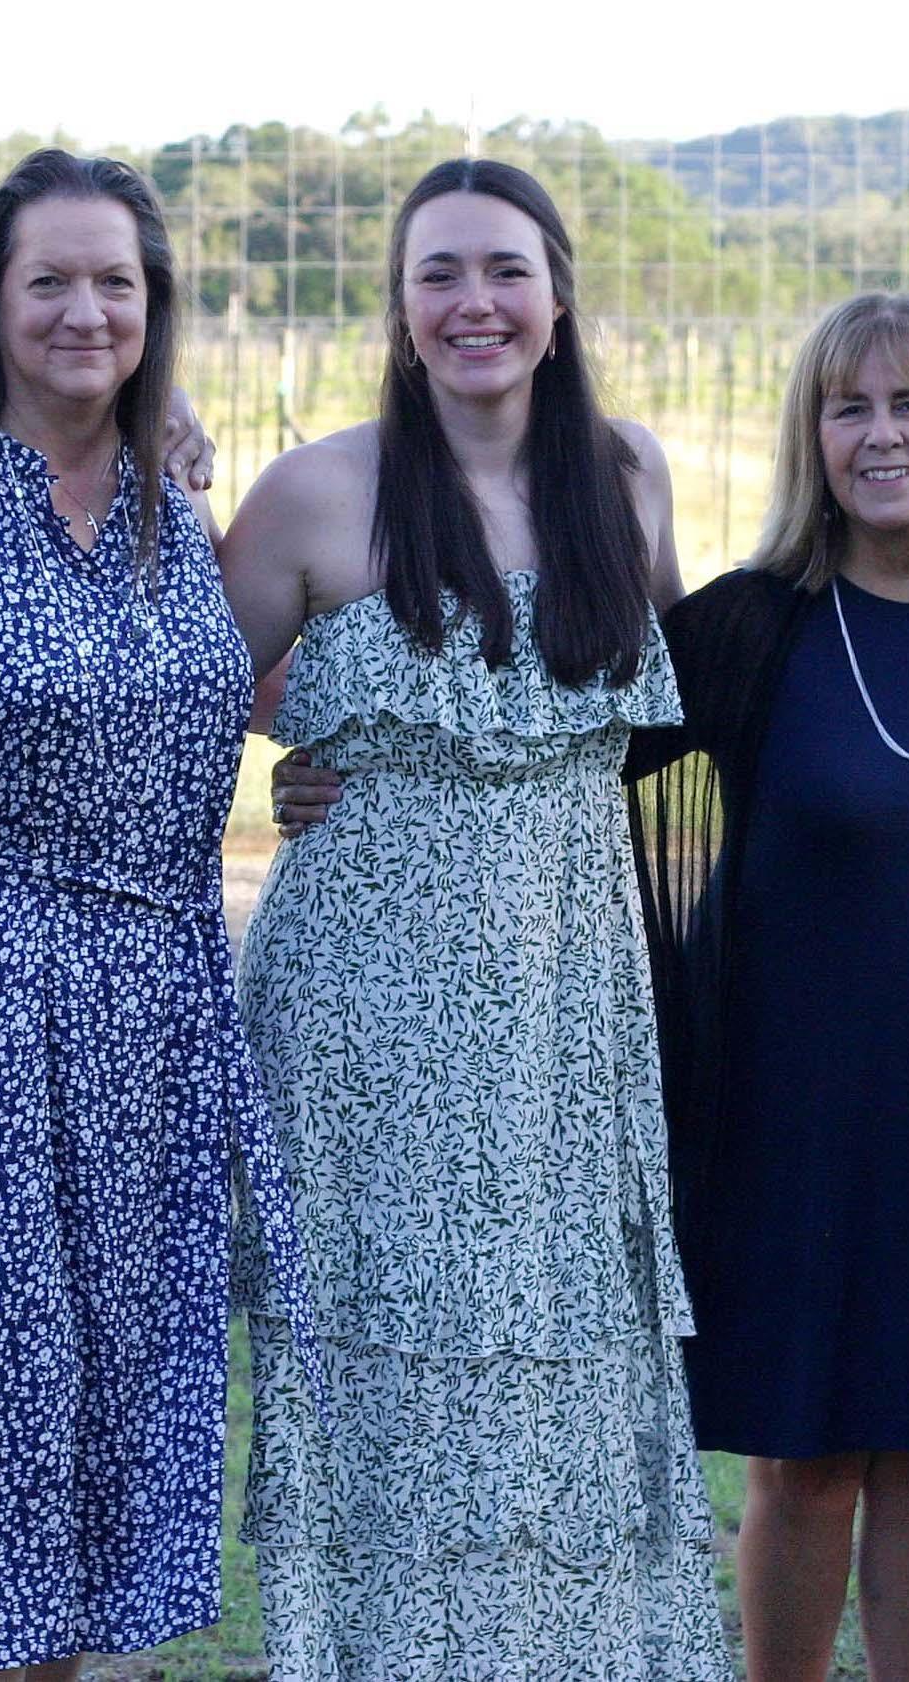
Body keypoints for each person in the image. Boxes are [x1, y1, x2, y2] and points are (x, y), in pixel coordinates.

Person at [217, 157, 732, 1679]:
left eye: (505, 268)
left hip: (572, 1004)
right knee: (386, 1380)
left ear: (559, 295)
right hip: (364, 1016)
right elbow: (172, 697)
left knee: (563, 1378)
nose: (474, 302)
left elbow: (669, 725)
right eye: (437, 273)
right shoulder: (317, 491)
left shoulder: (627, 478)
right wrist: (312, 748)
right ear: (398, 307)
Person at [0, 148, 312, 1682]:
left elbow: (233, 696)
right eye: (50, 279)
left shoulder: (178, 499)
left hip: (156, 1014)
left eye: (117, 281)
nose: (85, 310)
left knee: (123, 1434)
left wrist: (333, 769)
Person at [621, 293, 909, 1680]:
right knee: (809, 1460)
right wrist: (334, 766)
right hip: (797, 1126)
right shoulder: (746, 629)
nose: (883, 437)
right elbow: (554, 762)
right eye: (850, 409)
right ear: (810, 437)